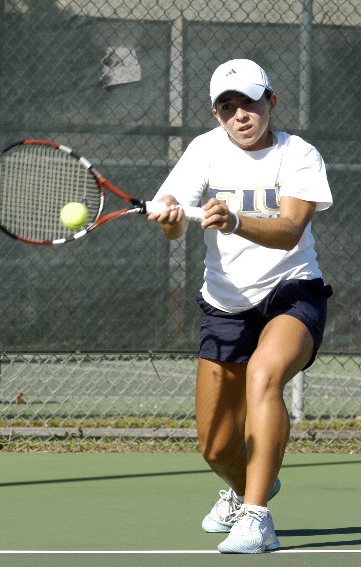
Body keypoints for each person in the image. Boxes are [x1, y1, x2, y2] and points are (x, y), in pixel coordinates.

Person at [148, 58, 333, 554]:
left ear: (271, 102)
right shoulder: (204, 151)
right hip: (225, 303)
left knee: (263, 375)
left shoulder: (298, 154)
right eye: (228, 107)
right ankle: (248, 486)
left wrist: (234, 221)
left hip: (292, 291)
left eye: (249, 103)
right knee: (214, 445)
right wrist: (170, 219)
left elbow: (290, 230)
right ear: (216, 115)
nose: (240, 115)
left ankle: (256, 516)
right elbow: (174, 226)